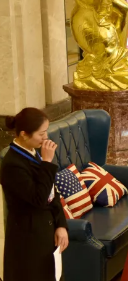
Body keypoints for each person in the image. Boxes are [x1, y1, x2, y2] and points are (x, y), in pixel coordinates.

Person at [1, 108, 68, 281]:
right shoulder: (12, 164)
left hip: (46, 231)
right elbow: (38, 198)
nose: (46, 138)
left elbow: (52, 191)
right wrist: (47, 162)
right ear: (24, 134)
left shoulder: (33, 152)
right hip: (28, 239)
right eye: (42, 133)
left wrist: (61, 224)